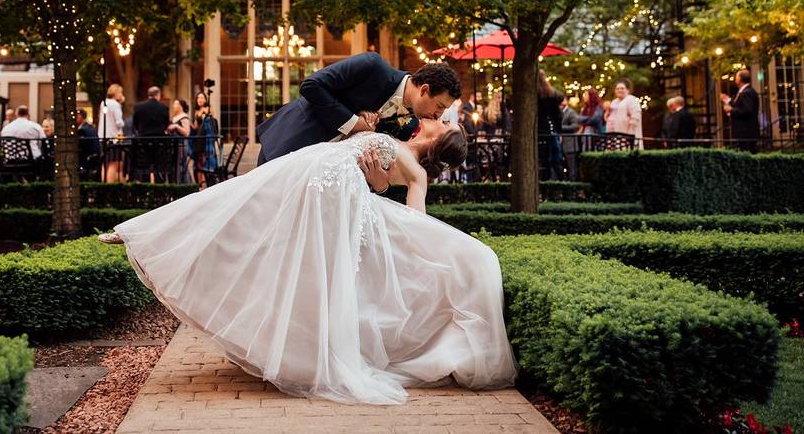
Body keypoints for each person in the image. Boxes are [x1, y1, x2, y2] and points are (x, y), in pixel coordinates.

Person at [98, 119, 516, 405]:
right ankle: (146, 232)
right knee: (242, 203)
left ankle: (145, 234)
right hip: (314, 166)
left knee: (257, 219)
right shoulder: (400, 141)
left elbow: (416, 218)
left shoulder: (417, 170)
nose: (441, 119)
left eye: (445, 124)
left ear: (439, 142)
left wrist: (392, 205)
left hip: (330, 184)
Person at [256, 54, 462, 185]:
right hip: (288, 143)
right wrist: (354, 123)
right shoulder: (373, 67)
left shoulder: (411, 127)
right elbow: (311, 86)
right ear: (425, 89)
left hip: (316, 179)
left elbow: (388, 175)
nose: (439, 115)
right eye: (440, 106)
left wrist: (381, 186)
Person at [721, 69, 760, 152]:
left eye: (736, 77)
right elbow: (740, 106)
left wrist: (731, 110)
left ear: (740, 79)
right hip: (746, 132)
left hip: (746, 132)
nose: (735, 79)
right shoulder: (747, 91)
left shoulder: (746, 93)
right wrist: (728, 100)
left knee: (746, 153)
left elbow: (747, 110)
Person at [537, 70, 563, 180]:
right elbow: (557, 116)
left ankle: (546, 185)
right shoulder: (551, 94)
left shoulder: (535, 94)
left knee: (543, 161)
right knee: (552, 162)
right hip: (550, 130)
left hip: (539, 131)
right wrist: (559, 131)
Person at [100, 84, 126, 183]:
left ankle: (103, 183)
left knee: (105, 163)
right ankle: (110, 185)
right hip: (113, 137)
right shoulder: (115, 104)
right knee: (113, 163)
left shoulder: (103, 103)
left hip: (103, 136)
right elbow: (119, 122)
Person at [606, 79, 643, 147]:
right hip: (613, 134)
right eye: (617, 89)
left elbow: (636, 115)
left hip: (627, 134)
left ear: (627, 90)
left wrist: (630, 132)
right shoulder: (614, 101)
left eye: (622, 88)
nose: (619, 90)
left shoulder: (632, 100)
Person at [168, 99, 192, 182]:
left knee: (182, 166)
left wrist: (176, 127)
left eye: (175, 104)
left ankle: (186, 184)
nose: (173, 106)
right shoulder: (174, 117)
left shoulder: (184, 117)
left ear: (180, 106)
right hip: (174, 144)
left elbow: (186, 133)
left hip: (182, 144)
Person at [76, 108, 101, 173]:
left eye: (77, 115)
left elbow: (81, 148)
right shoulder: (90, 127)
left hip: (87, 160)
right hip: (94, 159)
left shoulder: (82, 130)